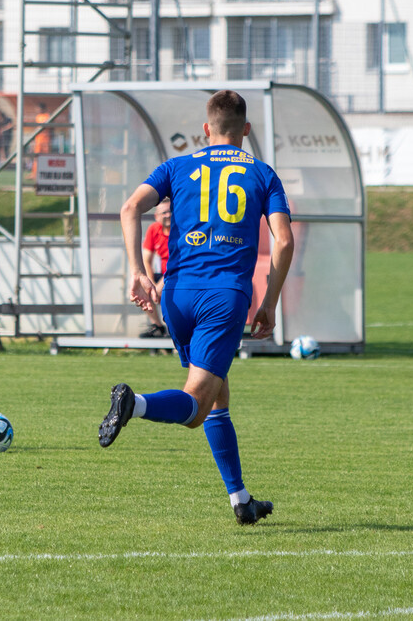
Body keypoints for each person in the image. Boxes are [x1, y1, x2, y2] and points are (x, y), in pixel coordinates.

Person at [99, 90, 294, 526]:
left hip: (177, 295)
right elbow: (283, 240)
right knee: (196, 405)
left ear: (205, 131)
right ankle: (136, 405)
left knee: (218, 392)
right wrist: (269, 303)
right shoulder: (263, 174)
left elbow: (130, 208)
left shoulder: (177, 166)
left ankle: (241, 500)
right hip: (223, 298)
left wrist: (137, 271)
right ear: (246, 130)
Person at [138, 198, 171, 338]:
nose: (168, 215)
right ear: (156, 216)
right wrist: (150, 284)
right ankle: (158, 326)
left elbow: (178, 262)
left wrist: (160, 285)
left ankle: (174, 329)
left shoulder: (181, 230)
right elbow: (146, 260)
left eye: (170, 211)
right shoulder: (154, 229)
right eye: (164, 213)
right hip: (161, 277)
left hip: (179, 275)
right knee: (140, 286)